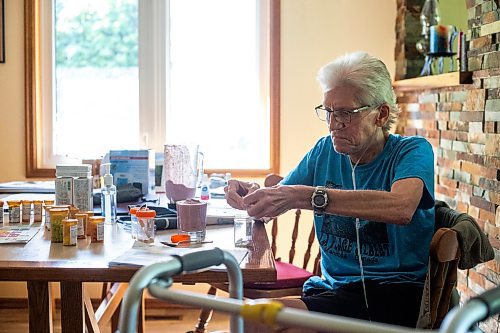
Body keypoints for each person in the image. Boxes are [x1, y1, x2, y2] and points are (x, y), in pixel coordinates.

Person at [225, 52, 435, 330]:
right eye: (328, 112)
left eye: (345, 113)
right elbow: (279, 197)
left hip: (395, 292)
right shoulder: (324, 150)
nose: (334, 123)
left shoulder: (412, 151)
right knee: (251, 317)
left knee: (254, 319)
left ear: (381, 114)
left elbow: (401, 207)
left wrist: (309, 196)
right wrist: (252, 196)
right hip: (332, 289)